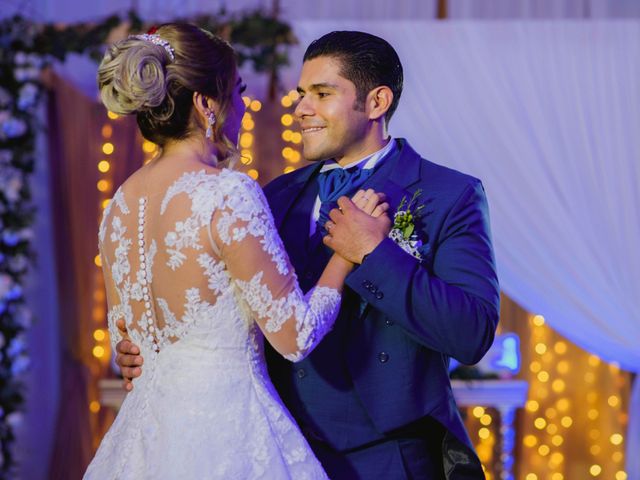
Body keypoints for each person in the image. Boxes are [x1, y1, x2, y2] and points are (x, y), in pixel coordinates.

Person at [116, 30, 500, 479]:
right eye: (301, 94)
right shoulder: (272, 196)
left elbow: (471, 334)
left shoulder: (448, 194)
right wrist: (150, 347)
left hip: (390, 459)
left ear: (376, 103)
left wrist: (375, 252)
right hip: (278, 450)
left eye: (321, 94)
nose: (300, 109)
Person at [84, 24, 389, 479]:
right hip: (227, 435)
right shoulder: (227, 193)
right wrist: (345, 255)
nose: (243, 108)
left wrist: (129, 355)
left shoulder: (119, 207)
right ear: (207, 104)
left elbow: (127, 345)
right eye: (239, 93)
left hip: (144, 442)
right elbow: (296, 336)